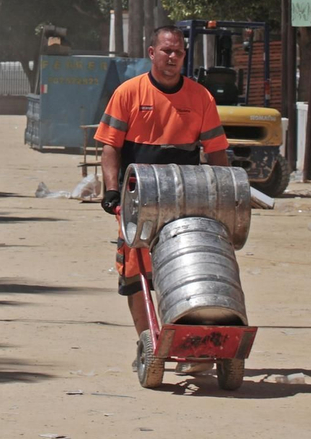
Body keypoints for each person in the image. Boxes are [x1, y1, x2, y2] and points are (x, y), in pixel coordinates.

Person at [94, 25, 229, 368]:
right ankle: (150, 342)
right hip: (138, 199)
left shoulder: (201, 98)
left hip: (186, 200)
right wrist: (111, 191)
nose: (172, 58)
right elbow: (110, 147)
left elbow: (216, 153)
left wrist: (224, 194)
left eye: (179, 52)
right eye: (166, 51)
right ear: (152, 53)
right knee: (136, 275)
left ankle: (191, 342)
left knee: (187, 270)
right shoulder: (128, 93)